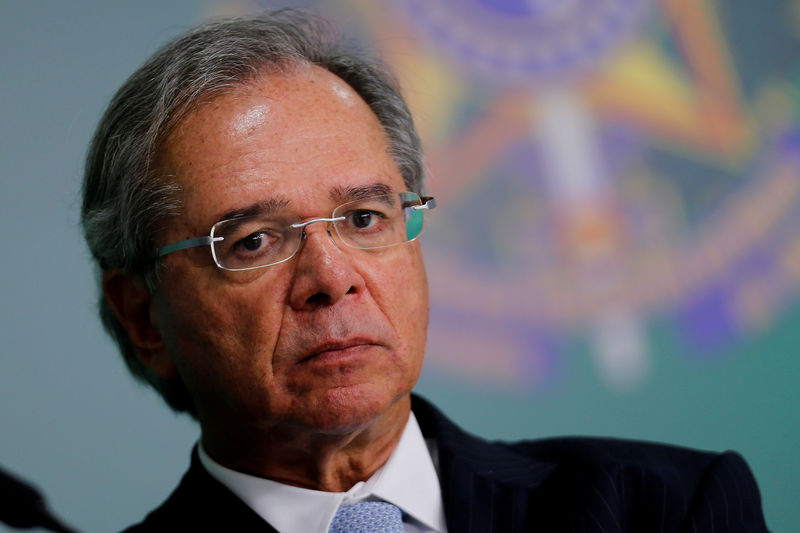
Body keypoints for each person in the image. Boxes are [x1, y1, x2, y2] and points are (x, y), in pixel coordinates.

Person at [81, 10, 769, 533]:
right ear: (143, 316)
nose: (332, 277)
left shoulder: (667, 508)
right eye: (255, 240)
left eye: (362, 218)